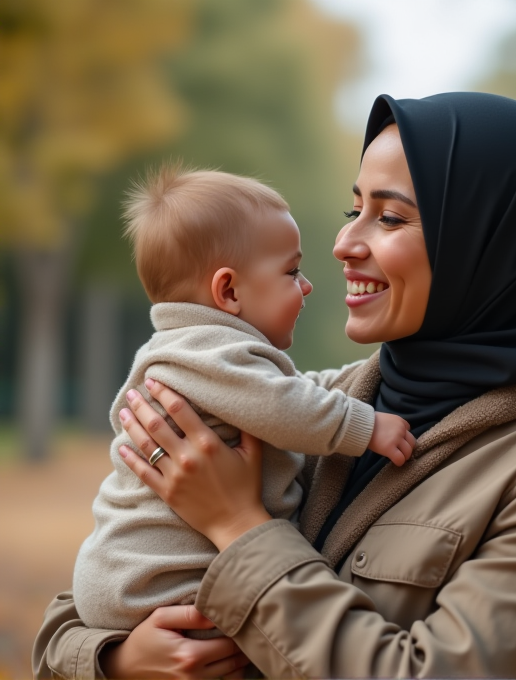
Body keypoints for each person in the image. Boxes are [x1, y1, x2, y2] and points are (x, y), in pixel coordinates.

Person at [33, 93, 516, 679]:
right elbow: (90, 597)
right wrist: (116, 660)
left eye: (391, 218)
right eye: (354, 208)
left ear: (494, 247)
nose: (342, 243)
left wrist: (237, 527)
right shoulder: (307, 403)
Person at [71, 166, 414, 635]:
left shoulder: (195, 352)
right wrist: (364, 425)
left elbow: (295, 389)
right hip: (159, 578)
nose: (307, 284)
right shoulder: (212, 352)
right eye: (292, 272)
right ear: (228, 291)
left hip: (125, 573)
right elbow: (281, 405)